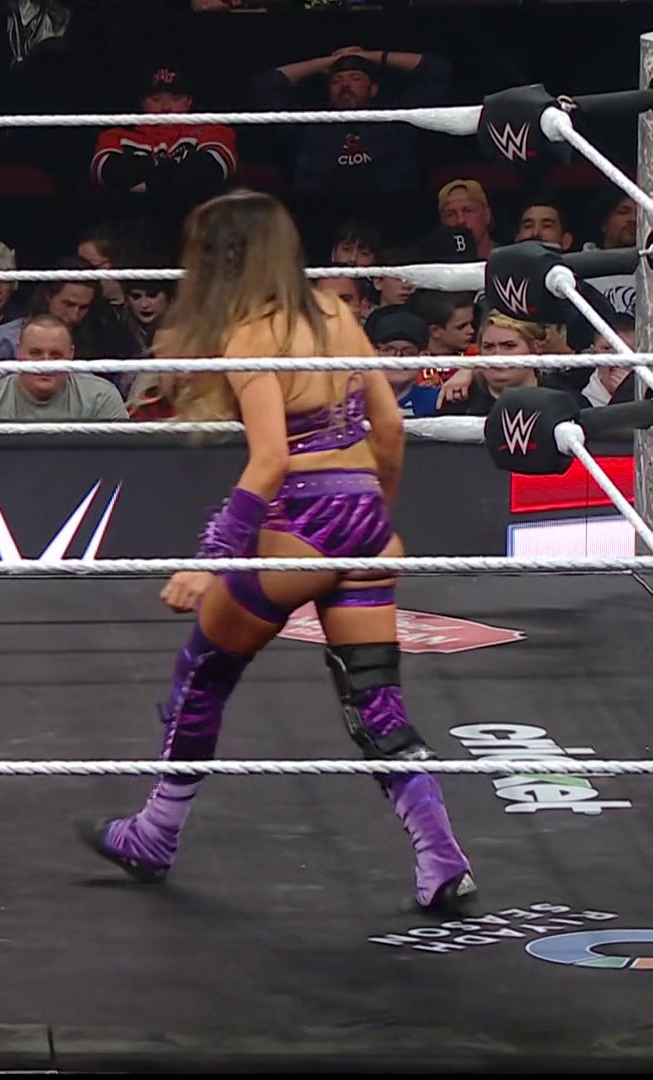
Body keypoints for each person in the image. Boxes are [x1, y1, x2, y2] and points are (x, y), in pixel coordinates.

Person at [76, 192, 476, 915]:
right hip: (362, 516)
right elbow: (388, 427)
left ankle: (156, 834)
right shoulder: (335, 312)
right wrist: (375, 516)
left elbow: (269, 461)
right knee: (375, 699)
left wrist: (208, 562)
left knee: (203, 669)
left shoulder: (251, 335)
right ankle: (441, 856)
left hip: (302, 521)